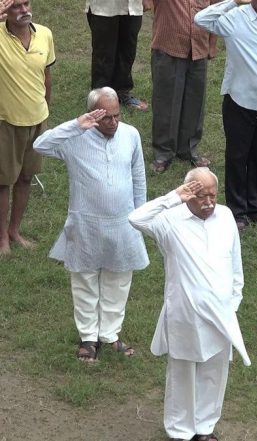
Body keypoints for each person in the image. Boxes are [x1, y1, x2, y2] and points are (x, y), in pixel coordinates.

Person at [128, 168, 250, 441]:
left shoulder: (226, 216)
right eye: (200, 196)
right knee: (183, 375)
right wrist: (174, 197)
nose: (208, 202)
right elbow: (135, 218)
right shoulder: (169, 220)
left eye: (212, 195)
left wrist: (234, 300)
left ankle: (205, 428)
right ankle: (180, 432)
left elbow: (235, 263)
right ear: (189, 194)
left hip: (221, 313)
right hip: (185, 313)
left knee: (215, 373)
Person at [33, 87, 148, 362]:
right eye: (106, 117)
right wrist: (76, 125)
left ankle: (110, 335)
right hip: (85, 223)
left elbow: (139, 177)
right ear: (93, 115)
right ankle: (88, 338)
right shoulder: (76, 138)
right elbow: (40, 145)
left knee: (118, 280)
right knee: (84, 280)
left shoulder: (131, 135)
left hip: (123, 222)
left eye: (117, 116)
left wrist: (141, 217)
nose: (113, 123)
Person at [195, 0, 257, 231]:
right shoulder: (234, 17)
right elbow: (201, 19)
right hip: (240, 100)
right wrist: (233, 2)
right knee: (238, 157)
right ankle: (237, 212)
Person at [0, 0, 55, 255]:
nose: (23, 10)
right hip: (6, 121)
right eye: (15, 6)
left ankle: (14, 231)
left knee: (25, 178)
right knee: (2, 182)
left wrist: (46, 109)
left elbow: (46, 76)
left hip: (37, 120)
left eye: (26, 3)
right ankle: (1, 239)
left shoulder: (44, 34)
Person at [146, 0, 215, 173]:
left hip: (198, 48)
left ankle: (188, 149)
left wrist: (211, 45)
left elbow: (215, 11)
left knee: (195, 102)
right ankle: (163, 152)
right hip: (169, 47)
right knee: (166, 102)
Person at [85, 0, 149, 111]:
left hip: (132, 6)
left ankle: (122, 93)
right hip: (104, 7)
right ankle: (99, 98)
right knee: (104, 54)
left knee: (127, 51)